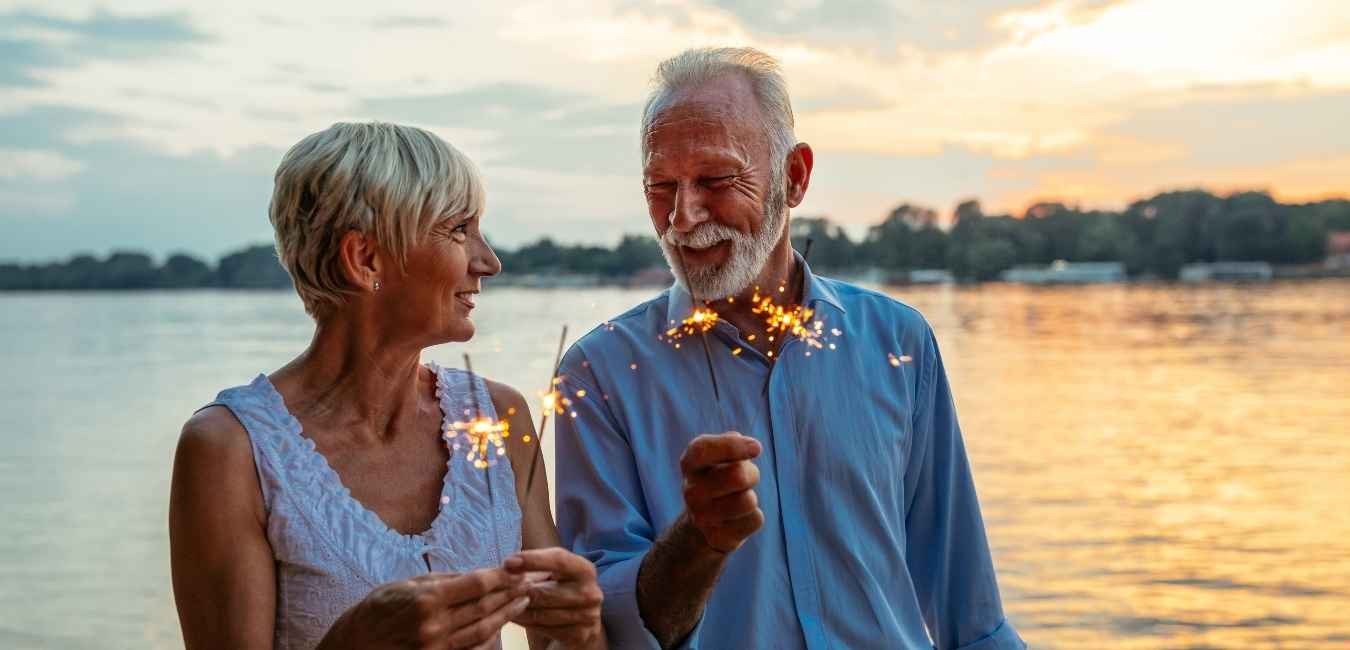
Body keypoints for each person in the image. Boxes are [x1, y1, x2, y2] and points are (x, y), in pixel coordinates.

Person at [554, 48, 1025, 649]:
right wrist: (700, 538)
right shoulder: (597, 374)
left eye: (716, 180)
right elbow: (603, 629)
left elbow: (971, 612)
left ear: (794, 177)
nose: (683, 216)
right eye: (661, 186)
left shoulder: (899, 341)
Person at [169, 122, 604, 650]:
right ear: (365, 259)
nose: (489, 262)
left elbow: (559, 641)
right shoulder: (229, 449)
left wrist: (582, 631)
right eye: (459, 230)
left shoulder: (499, 417)